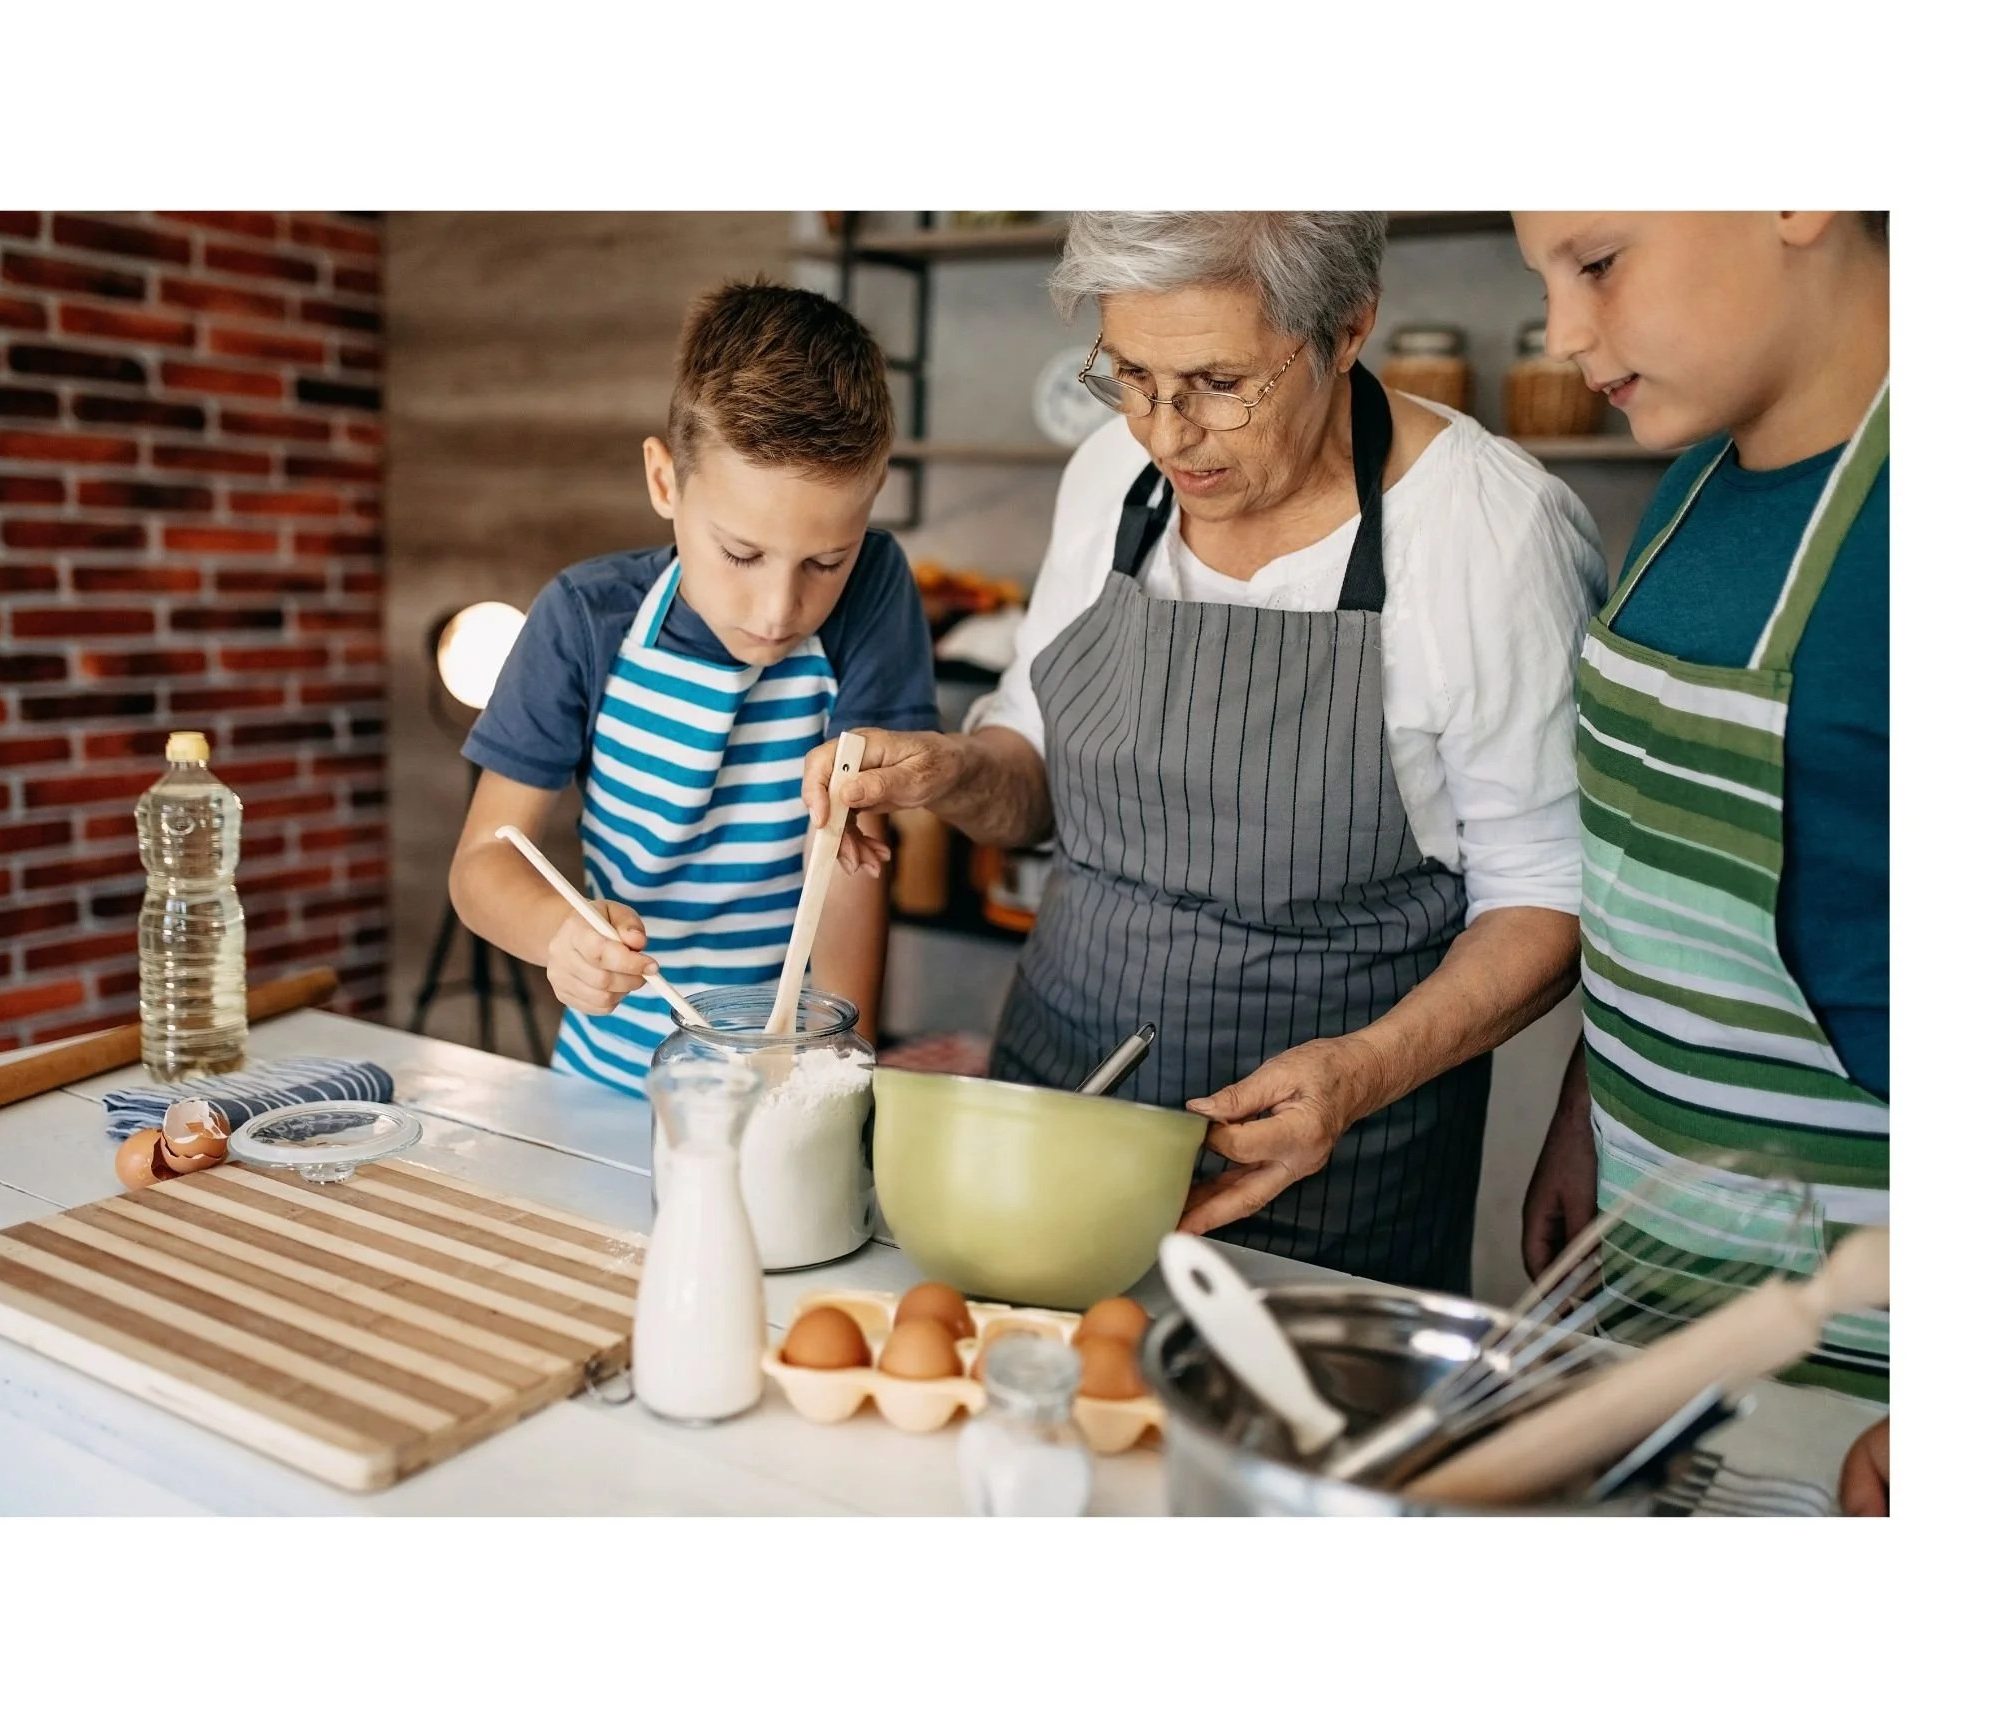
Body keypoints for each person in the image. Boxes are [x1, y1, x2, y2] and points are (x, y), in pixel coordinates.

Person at [806, 212, 1606, 1292]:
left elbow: (1547, 898)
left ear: (1346, 330)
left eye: (1218, 383)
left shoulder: (1486, 531)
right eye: (1130, 376)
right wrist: (957, 773)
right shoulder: (1108, 478)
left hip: (1320, 1177)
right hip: (1054, 1113)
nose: (1165, 434)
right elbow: (1036, 771)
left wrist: (1364, 1072)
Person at [1510, 213, 1890, 1398]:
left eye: (1600, 263)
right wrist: (1588, 1107)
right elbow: (1654, 881)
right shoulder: (1690, 487)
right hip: (1661, 1276)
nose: (1565, 333)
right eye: (1547, 279)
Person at [448, 279, 938, 1094]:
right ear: (665, 481)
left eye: (824, 561)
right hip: (607, 1081)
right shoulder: (585, 619)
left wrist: (837, 1081)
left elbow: (849, 868)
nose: (780, 611)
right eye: (741, 554)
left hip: (789, 1078)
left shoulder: (874, 592)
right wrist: (557, 936)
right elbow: (480, 869)